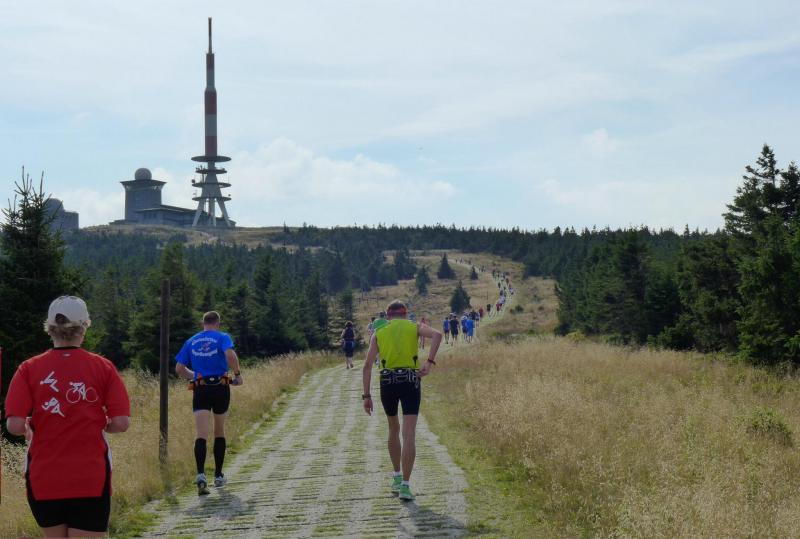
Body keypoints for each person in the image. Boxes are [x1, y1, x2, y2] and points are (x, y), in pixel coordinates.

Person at [5, 296, 131, 537]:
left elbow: (14, 425)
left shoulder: (28, 368)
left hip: (44, 477)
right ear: (84, 327)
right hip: (90, 476)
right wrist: (103, 423)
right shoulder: (103, 367)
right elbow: (121, 423)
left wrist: (27, 428)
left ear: (50, 328)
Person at [362, 300, 442, 501]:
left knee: (393, 429)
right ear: (405, 314)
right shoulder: (413, 326)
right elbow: (438, 335)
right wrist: (429, 363)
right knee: (409, 434)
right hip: (410, 381)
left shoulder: (379, 332)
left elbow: (367, 366)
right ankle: (406, 486)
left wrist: (366, 396)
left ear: (388, 315)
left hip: (387, 382)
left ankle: (396, 476)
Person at [175, 311, 243, 496]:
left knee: (201, 434)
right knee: (219, 431)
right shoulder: (222, 337)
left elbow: (179, 368)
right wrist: (237, 375)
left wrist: (195, 375)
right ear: (218, 323)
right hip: (220, 387)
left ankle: (200, 475)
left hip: (201, 389)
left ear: (202, 323)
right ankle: (219, 475)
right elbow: (230, 354)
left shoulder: (191, 341)